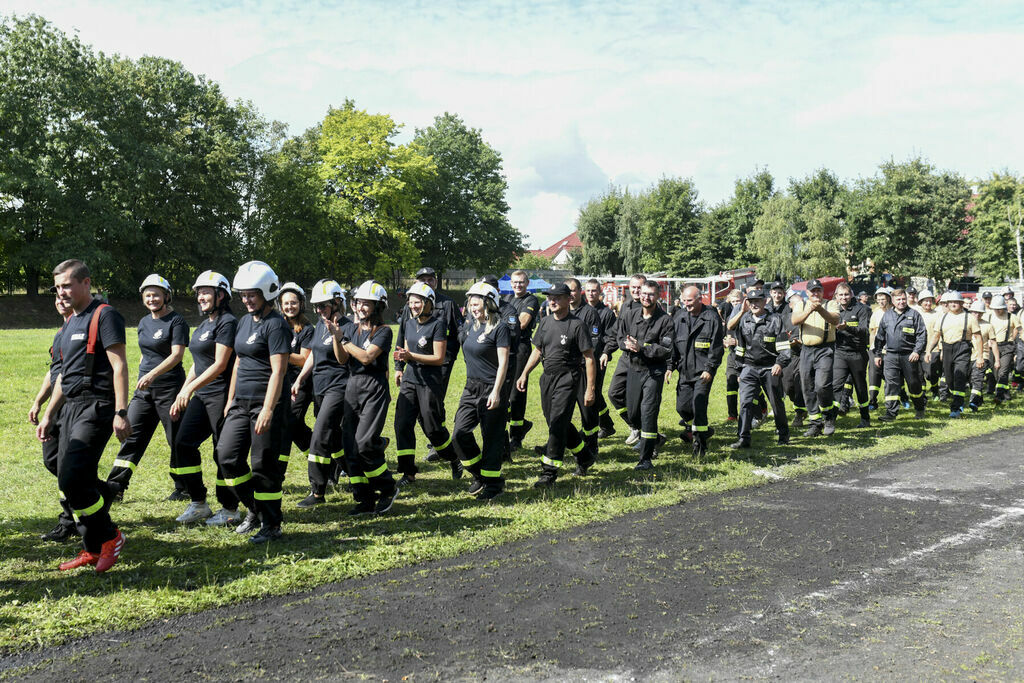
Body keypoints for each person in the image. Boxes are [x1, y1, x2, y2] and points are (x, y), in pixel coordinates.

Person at [37, 259, 130, 573]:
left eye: (67, 285)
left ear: (86, 283)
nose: (62, 292)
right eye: (58, 286)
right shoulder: (67, 326)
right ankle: (91, 547)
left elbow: (119, 366)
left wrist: (121, 411)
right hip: (71, 407)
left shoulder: (105, 315)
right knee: (67, 477)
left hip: (98, 405)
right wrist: (50, 413)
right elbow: (63, 377)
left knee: (74, 477)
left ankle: (110, 537)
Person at [217, 261, 291, 543]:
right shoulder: (245, 321)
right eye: (243, 295)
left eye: (252, 294)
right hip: (239, 403)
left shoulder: (276, 326)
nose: (246, 300)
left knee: (263, 466)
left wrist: (269, 409)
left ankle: (272, 525)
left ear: (267, 293)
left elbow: (279, 371)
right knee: (227, 457)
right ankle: (255, 510)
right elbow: (237, 363)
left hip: (264, 404)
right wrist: (230, 399)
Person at [106, 274, 189, 501]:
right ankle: (115, 487)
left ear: (166, 296)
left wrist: (152, 374)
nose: (152, 299)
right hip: (144, 391)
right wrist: (143, 374)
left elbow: (177, 355)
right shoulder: (143, 322)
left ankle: (184, 487)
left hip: (169, 389)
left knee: (176, 439)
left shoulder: (177, 321)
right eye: (148, 295)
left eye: (156, 295)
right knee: (130, 435)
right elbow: (146, 353)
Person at [169, 270, 240, 526]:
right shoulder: (204, 324)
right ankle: (199, 502)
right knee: (183, 444)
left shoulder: (227, 322)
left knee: (222, 453)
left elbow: (220, 364)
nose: (200, 297)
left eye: (205, 292)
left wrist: (190, 389)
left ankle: (231, 508)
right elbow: (198, 365)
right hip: (202, 393)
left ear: (221, 294)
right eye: (199, 292)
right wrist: (184, 390)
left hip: (222, 395)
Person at [516, 283, 597, 485]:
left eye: (557, 297)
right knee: (554, 421)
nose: (552, 301)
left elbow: (589, 358)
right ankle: (584, 455)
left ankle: (549, 471)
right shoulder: (545, 322)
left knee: (558, 421)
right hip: (547, 378)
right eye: (550, 297)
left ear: (569, 299)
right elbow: (537, 350)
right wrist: (525, 373)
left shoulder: (577, 325)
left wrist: (590, 389)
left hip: (568, 378)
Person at [288, 280, 354, 506]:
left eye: (323, 306)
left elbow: (343, 358)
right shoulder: (319, 325)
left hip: (339, 387)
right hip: (320, 388)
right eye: (316, 306)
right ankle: (356, 476)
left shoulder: (349, 325)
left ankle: (317, 491)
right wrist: (299, 379)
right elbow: (314, 355)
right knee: (335, 438)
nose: (319, 311)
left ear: (337, 303)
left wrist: (337, 335)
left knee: (319, 436)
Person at [337, 280, 399, 515]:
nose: (360, 307)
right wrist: (337, 337)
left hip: (374, 389)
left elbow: (366, 357)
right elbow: (343, 360)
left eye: (366, 304)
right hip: (353, 387)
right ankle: (363, 498)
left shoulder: (384, 331)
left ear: (378, 306)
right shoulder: (352, 330)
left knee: (363, 444)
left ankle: (387, 487)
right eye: (358, 302)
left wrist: (343, 340)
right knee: (349, 445)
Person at [394, 281, 460, 485]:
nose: (413, 306)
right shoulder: (408, 323)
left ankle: (454, 458)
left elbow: (438, 358)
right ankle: (408, 473)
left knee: (432, 428)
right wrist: (399, 367)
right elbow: (404, 347)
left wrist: (410, 355)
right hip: (410, 380)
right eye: (411, 302)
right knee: (402, 424)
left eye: (418, 302)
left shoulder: (438, 324)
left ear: (429, 302)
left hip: (430, 382)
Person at [453, 282, 511, 499]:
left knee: (492, 439)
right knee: (459, 434)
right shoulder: (470, 326)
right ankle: (480, 475)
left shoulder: (500, 327)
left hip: (492, 388)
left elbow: (503, 362)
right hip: (471, 387)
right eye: (470, 303)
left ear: (489, 303)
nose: (472, 307)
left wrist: (496, 391)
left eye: (476, 303)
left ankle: (493, 485)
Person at [30, 292, 78, 541]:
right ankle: (100, 490)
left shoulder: (82, 329)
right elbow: (53, 373)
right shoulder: (61, 333)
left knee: (66, 466)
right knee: (53, 462)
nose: (60, 301)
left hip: (74, 404)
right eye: (57, 297)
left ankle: (69, 521)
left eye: (65, 296)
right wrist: (38, 401)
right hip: (56, 406)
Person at [618, 280, 674, 470]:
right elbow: (619, 336)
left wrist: (641, 348)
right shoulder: (630, 315)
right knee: (633, 413)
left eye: (651, 294)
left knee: (648, 412)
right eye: (644, 293)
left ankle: (646, 459)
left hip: (653, 372)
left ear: (658, 296)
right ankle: (655, 439)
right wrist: (625, 345)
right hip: (634, 369)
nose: (646, 297)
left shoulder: (665, 320)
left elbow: (665, 349)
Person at [729, 288, 792, 449]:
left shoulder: (775, 320)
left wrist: (779, 363)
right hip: (749, 368)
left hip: (770, 367)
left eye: (758, 301)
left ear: (765, 302)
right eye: (751, 302)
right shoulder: (744, 320)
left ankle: (783, 435)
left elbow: (784, 347)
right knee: (745, 403)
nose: (754, 304)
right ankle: (743, 438)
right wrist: (738, 370)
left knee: (776, 403)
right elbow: (740, 348)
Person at [668, 284, 724, 457]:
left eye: (690, 300)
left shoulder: (711, 318)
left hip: (703, 373)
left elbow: (716, 348)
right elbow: (673, 346)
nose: (687, 304)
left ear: (700, 299)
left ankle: (700, 446)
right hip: (685, 372)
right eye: (684, 300)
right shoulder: (680, 317)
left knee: (699, 406)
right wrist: (670, 366)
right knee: (682, 408)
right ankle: (703, 430)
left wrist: (710, 368)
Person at [790, 279, 839, 437]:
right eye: (812, 291)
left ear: (822, 292)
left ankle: (828, 418)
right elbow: (795, 321)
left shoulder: (830, 304)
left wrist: (819, 310)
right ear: (807, 292)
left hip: (825, 349)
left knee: (822, 385)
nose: (815, 294)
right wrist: (809, 310)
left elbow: (835, 320)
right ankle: (815, 424)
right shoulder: (801, 305)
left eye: (818, 290)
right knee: (807, 387)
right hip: (806, 350)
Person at [873, 288, 928, 422]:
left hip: (909, 356)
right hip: (891, 356)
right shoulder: (887, 316)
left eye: (903, 299)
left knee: (914, 384)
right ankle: (891, 413)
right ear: (892, 301)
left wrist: (917, 351)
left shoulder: (914, 315)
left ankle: (920, 408)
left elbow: (922, 335)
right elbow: (880, 337)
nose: (901, 302)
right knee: (891, 384)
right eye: (898, 299)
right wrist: (878, 354)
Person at [926, 291, 980, 418]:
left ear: (961, 303)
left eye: (957, 302)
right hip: (947, 348)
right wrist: (928, 351)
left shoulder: (970, 317)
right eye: (951, 302)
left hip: (963, 348)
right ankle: (957, 396)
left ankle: (956, 407)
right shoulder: (942, 318)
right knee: (950, 379)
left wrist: (980, 356)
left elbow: (978, 337)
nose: (954, 304)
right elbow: (935, 336)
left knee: (960, 376)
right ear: (947, 304)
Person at [277, 282, 314, 471]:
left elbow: (304, 359)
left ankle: (279, 471)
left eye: (293, 303)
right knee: (293, 425)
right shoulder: (276, 325)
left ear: (301, 304)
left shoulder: (307, 329)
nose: (290, 307)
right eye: (286, 303)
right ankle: (323, 460)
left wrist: (278, 353)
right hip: (281, 382)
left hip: (302, 383)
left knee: (289, 423)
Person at [608, 274, 648, 445]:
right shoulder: (625, 306)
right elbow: (618, 331)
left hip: (643, 359)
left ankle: (648, 436)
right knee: (614, 393)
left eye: (639, 287)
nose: (636, 290)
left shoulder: (651, 307)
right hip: (626, 358)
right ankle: (635, 427)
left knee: (639, 401)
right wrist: (606, 351)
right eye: (633, 287)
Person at [829, 281, 872, 428]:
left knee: (860, 387)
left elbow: (864, 331)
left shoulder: (862, 309)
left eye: (846, 294)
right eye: (840, 295)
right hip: (840, 352)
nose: (844, 297)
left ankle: (865, 418)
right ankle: (831, 419)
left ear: (851, 294)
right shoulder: (833, 310)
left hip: (857, 353)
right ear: (836, 296)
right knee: (835, 386)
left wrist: (847, 328)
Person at [505, 270, 540, 452]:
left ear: (527, 283)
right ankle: (521, 425)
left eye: (521, 282)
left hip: (521, 347)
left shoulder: (531, 300)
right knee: (503, 390)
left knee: (516, 393)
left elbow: (522, 323)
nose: (518, 285)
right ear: (510, 283)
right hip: (505, 347)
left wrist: (504, 325)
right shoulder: (508, 300)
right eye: (515, 282)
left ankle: (516, 436)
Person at [584, 279, 619, 438]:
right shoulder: (581, 310)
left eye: (594, 291)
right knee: (591, 392)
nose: (591, 293)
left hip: (598, 359)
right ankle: (606, 423)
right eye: (589, 290)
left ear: (600, 293)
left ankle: (601, 425)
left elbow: (612, 337)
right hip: (582, 359)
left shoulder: (607, 313)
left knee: (594, 391)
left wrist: (606, 353)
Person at [987, 295, 1020, 403]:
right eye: (995, 309)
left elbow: (1019, 329)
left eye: (999, 308)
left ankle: (999, 396)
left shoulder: (1011, 317)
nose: (997, 311)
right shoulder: (989, 316)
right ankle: (1005, 392)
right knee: (995, 371)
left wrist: (1013, 338)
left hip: (1007, 346)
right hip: (992, 347)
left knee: (1003, 371)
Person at [967, 298, 999, 411]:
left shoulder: (988, 326)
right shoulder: (966, 323)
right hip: (968, 356)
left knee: (977, 379)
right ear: (971, 312)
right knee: (971, 380)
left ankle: (973, 402)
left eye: (980, 312)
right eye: (975, 312)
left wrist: (997, 360)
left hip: (983, 356)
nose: (977, 314)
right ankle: (978, 400)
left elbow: (994, 343)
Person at [915, 290, 943, 399]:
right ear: (921, 302)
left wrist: (941, 348)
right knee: (919, 373)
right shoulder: (916, 314)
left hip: (933, 349)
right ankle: (922, 394)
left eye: (930, 301)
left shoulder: (937, 314)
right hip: (918, 349)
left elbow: (940, 333)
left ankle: (935, 389)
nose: (928, 303)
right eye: (925, 301)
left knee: (931, 372)